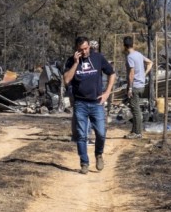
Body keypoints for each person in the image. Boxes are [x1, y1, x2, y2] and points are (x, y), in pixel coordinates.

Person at [64, 36, 116, 174]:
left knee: (101, 133)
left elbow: (112, 73)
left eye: (86, 48)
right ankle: (84, 163)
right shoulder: (71, 61)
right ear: (76, 49)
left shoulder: (98, 58)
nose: (84, 52)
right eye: (81, 50)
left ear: (89, 47)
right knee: (81, 135)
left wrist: (107, 93)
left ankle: (99, 154)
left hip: (97, 102)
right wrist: (75, 63)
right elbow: (67, 80)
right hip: (80, 103)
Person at [122, 36, 153, 139]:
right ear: (133, 44)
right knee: (135, 108)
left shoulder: (130, 57)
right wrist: (144, 74)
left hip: (134, 86)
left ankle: (138, 133)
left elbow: (131, 73)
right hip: (141, 85)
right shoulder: (139, 54)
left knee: (136, 110)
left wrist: (130, 88)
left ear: (125, 46)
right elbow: (150, 62)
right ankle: (134, 130)